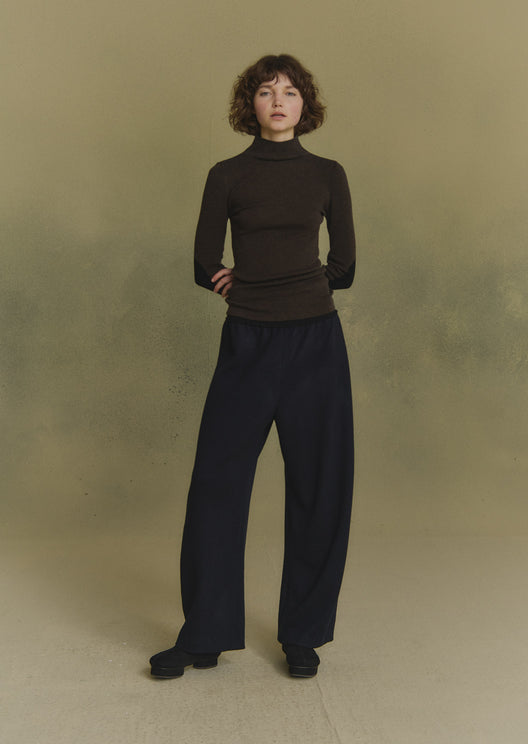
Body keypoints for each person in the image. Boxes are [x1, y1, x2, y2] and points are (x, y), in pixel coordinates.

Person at [150, 53, 356, 679]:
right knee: (217, 485)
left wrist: (300, 291)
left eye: (289, 91)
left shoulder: (328, 174)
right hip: (246, 342)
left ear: (304, 105)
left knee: (320, 487)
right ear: (251, 105)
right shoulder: (228, 175)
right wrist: (242, 287)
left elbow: (344, 266)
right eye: (266, 91)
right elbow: (202, 260)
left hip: (316, 346)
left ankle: (303, 634)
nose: (278, 100)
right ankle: (205, 633)